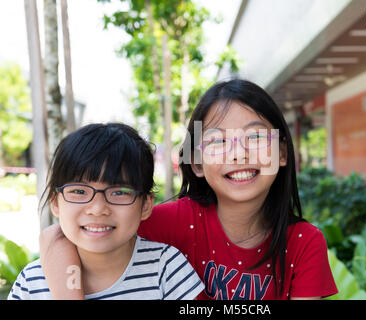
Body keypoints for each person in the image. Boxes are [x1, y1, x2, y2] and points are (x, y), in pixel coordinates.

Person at [40, 79, 338, 300]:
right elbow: (59, 234)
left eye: (256, 136)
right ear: (195, 163)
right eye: (218, 141)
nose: (238, 154)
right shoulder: (175, 220)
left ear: (283, 153)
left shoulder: (303, 242)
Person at [8, 123, 204, 300]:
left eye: (119, 192)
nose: (98, 208)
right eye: (79, 191)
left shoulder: (166, 267)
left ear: (145, 205)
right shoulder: (32, 284)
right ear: (55, 203)